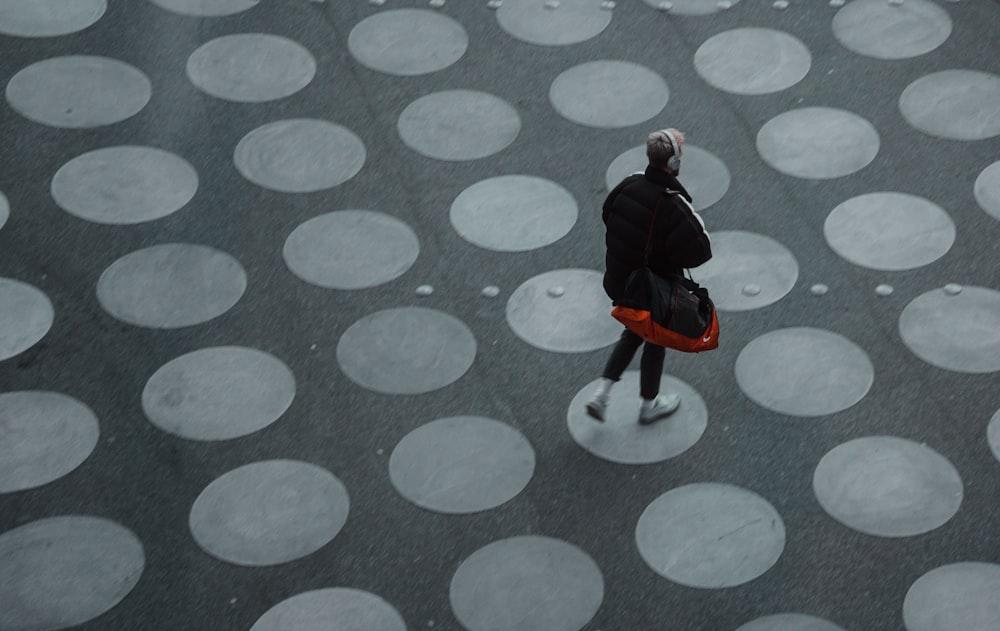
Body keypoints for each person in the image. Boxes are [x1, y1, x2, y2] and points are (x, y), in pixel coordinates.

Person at [586, 128, 712, 425]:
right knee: (655, 337)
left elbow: (608, 213)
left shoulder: (629, 184)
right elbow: (701, 249)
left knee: (635, 331)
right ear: (674, 164)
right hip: (652, 288)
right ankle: (648, 404)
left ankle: (602, 394)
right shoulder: (674, 203)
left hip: (621, 280)